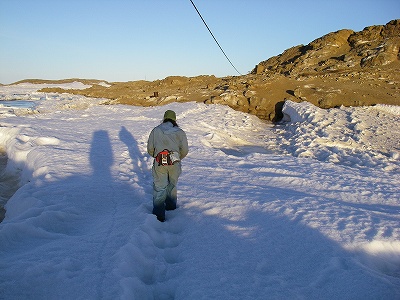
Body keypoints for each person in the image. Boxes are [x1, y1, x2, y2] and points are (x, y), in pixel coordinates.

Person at [147, 110, 188, 222]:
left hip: (159, 163)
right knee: (172, 185)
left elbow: (150, 149)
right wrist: (177, 158)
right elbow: (184, 150)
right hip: (175, 163)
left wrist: (157, 157)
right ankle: (171, 209)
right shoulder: (180, 132)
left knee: (160, 188)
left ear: (164, 118)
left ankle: (159, 215)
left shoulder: (155, 130)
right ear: (174, 120)